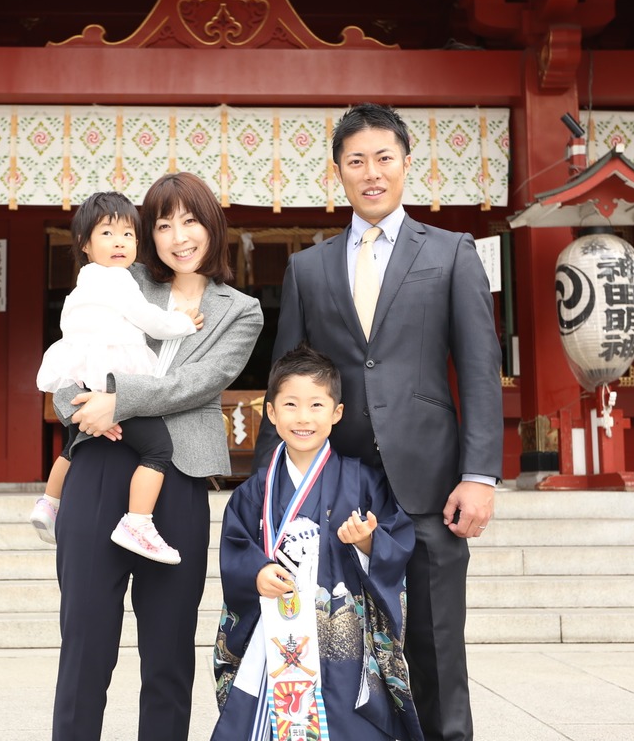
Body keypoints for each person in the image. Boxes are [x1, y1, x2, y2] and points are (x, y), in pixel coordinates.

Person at [253, 103, 503, 741]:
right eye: (356, 161)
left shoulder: (450, 253)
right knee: (341, 648)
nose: (371, 172)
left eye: (383, 158)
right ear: (338, 172)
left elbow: (478, 370)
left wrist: (480, 474)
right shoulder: (309, 268)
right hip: (337, 490)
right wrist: (265, 492)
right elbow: (288, 380)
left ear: (406, 165)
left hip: (430, 486)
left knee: (436, 646)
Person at [49, 171, 263, 741]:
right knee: (85, 647)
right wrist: (76, 404)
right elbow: (72, 364)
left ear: (212, 227)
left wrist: (117, 399)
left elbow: (198, 382)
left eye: (190, 220)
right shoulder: (119, 278)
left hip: (179, 479)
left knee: (168, 653)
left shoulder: (240, 311)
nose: (178, 236)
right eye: (163, 223)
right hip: (98, 466)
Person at [213, 344, 424, 741]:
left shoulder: (362, 480)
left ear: (336, 413)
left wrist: (367, 543)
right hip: (275, 634)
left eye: (316, 405)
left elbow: (396, 540)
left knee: (345, 718)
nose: (303, 417)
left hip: (340, 638)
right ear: (271, 412)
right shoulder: (254, 491)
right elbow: (235, 545)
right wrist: (256, 572)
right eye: (290, 405)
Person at [32, 191, 202, 564]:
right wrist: (184, 322)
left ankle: (48, 502)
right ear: (85, 244)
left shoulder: (84, 282)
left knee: (73, 441)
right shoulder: (119, 280)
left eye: (128, 234)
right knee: (158, 448)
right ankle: (137, 522)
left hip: (84, 374)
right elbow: (150, 320)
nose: (120, 242)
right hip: (114, 375)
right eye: (107, 233)